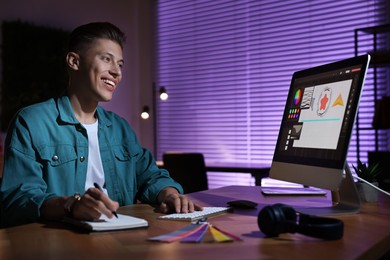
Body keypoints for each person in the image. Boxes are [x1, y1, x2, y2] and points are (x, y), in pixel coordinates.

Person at [0, 22, 202, 227]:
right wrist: (71, 205)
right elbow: (18, 199)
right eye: (107, 59)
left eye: (120, 64)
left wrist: (170, 194)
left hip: (124, 240)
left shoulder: (121, 128)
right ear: (74, 61)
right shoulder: (31, 122)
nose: (116, 72)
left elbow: (150, 176)